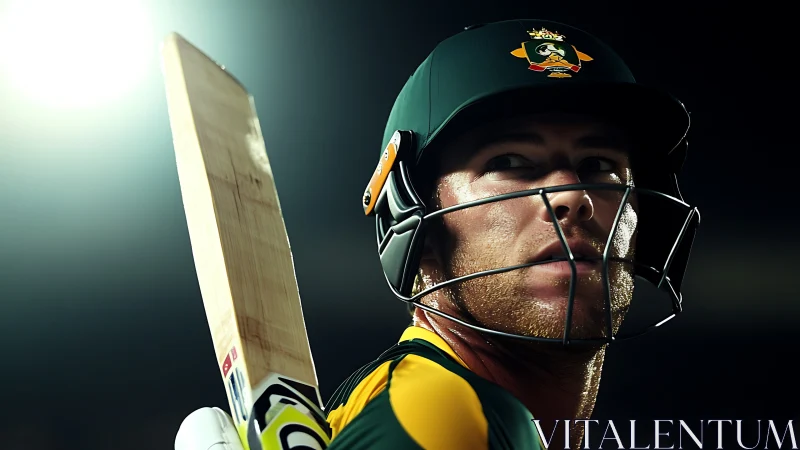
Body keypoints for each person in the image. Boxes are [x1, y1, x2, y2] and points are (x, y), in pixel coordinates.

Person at [175, 18, 700, 450]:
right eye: (511, 161)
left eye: (601, 166)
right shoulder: (442, 416)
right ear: (413, 223)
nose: (571, 195)